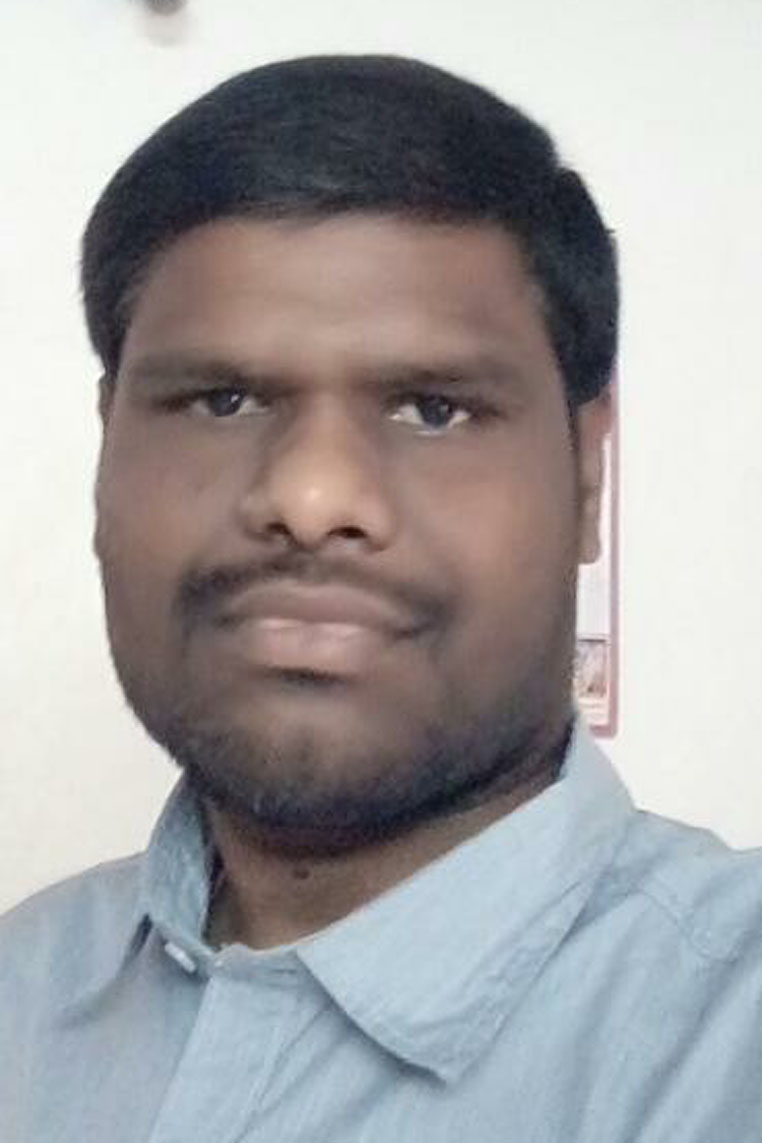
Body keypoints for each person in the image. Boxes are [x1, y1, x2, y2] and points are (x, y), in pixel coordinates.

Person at [2, 54, 761, 1142]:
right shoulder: (22, 992)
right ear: (105, 450)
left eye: (432, 409)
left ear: (588, 476)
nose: (312, 499)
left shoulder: (728, 1033)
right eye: (221, 400)